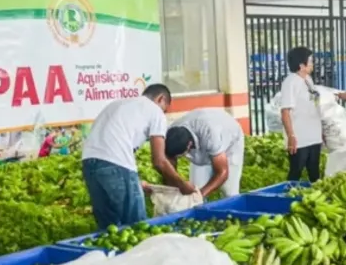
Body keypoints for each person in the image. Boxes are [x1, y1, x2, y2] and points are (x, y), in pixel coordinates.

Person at [81, 84, 194, 228]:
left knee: (109, 229)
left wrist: (136, 181)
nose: (163, 113)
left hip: (89, 164)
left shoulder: (119, 104)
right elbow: (159, 160)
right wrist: (182, 184)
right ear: (161, 99)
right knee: (138, 226)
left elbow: (114, 150)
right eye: (165, 108)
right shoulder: (155, 111)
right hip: (116, 165)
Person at [164, 109, 246, 198]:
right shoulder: (170, 133)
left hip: (230, 142)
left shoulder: (211, 135)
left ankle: (230, 210)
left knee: (229, 191)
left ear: (189, 146)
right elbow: (169, 163)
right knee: (197, 187)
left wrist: (200, 195)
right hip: (202, 141)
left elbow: (222, 173)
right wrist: (177, 185)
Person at [278, 47, 324, 182]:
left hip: (313, 137)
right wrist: (291, 136)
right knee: (296, 172)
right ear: (301, 65)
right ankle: (287, 199)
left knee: (314, 173)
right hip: (300, 139)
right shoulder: (291, 82)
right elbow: (285, 111)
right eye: (310, 61)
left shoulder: (308, 79)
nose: (312, 64)